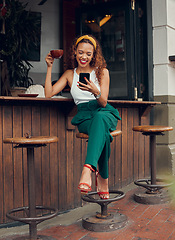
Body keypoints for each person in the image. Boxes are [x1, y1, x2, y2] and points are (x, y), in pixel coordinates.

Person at [45, 35, 121, 199]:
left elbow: (103, 102)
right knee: (103, 135)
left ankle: (88, 169)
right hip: (85, 117)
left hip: (104, 111)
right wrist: (50, 67)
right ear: (75, 53)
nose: (84, 57)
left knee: (100, 119)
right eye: (80, 53)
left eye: (88, 53)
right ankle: (103, 178)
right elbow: (48, 94)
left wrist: (95, 91)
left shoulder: (102, 73)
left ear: (94, 55)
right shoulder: (69, 75)